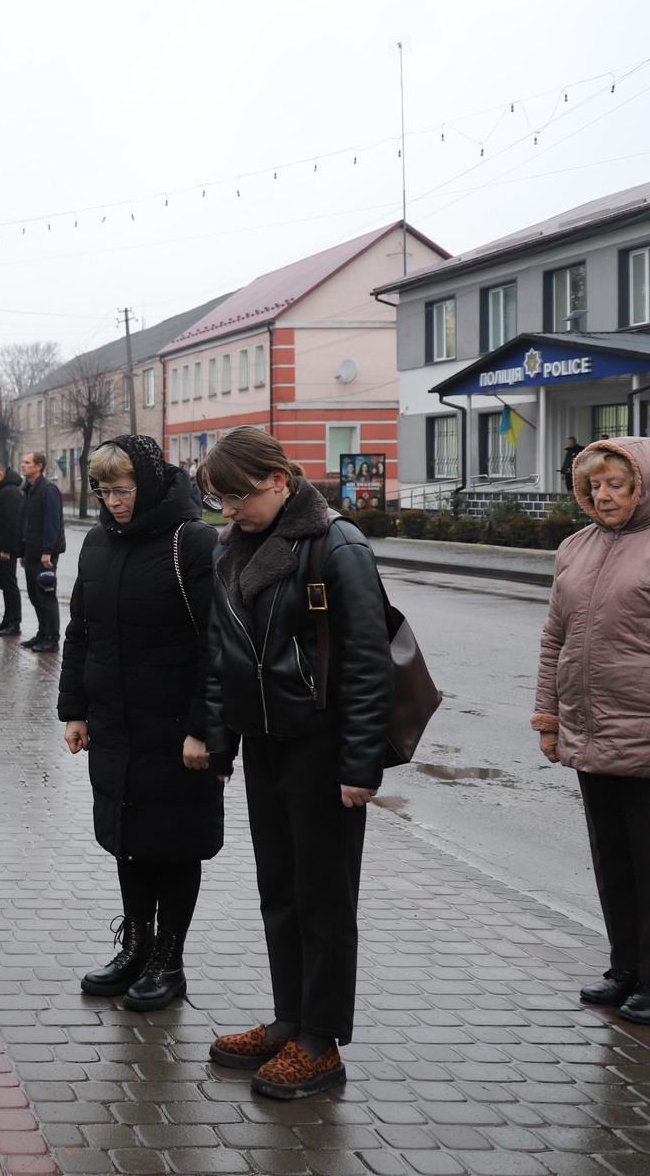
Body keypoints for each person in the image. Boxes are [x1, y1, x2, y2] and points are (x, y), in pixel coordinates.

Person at [198, 426, 393, 1101]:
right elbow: (224, 654)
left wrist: (361, 763)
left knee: (324, 897)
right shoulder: (235, 545)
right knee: (279, 889)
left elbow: (369, 662)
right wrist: (221, 742)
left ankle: (321, 1041)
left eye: (235, 496)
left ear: (278, 480)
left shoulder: (336, 544)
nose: (227, 510)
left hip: (323, 745)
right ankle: (289, 1018)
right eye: (217, 499)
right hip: (266, 743)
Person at [531, 435, 650, 1025]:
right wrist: (550, 715)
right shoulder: (576, 547)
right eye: (593, 486)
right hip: (594, 731)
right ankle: (626, 967)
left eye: (616, 484)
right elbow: (554, 639)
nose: (603, 496)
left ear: (645, 485)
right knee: (614, 858)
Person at [59, 436, 223, 1011]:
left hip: (177, 726)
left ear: (148, 484)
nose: (112, 502)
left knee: (174, 843)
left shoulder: (194, 542)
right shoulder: (98, 543)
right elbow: (81, 630)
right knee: (130, 839)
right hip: (115, 722)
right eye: (103, 491)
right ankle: (135, 945)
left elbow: (217, 646)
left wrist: (205, 728)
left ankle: (168, 960)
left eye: (121, 490)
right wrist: (74, 709)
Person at [20, 451, 66, 652]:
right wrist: (23, 552)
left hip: (44, 555)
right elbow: (26, 523)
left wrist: (47, 551)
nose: (23, 465)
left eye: (27, 462)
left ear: (39, 466)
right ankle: (42, 633)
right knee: (34, 595)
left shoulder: (48, 489)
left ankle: (52, 638)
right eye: (23, 462)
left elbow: (52, 522)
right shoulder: (29, 489)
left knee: (46, 595)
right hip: (31, 552)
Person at [0, 459, 25, 637]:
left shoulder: (9, 492)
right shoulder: (2, 490)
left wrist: (7, 549)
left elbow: (12, 522)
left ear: (0, 475)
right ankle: (7, 619)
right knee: (4, 584)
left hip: (5, 549)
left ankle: (14, 623)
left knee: (9, 585)